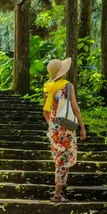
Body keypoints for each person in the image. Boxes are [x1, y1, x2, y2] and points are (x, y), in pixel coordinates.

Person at [43, 57, 86, 203]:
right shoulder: (68, 86)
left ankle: (59, 190)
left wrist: (51, 125)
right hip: (66, 128)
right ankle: (57, 194)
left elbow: (45, 110)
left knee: (59, 160)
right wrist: (82, 126)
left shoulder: (48, 87)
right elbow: (74, 107)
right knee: (63, 160)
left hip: (54, 127)